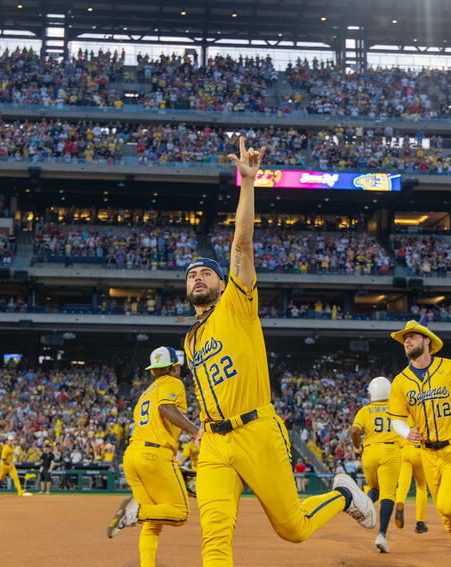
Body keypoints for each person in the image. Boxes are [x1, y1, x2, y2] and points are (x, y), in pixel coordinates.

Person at [181, 137, 375, 566]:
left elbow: (241, 244)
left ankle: (343, 495)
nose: (197, 277)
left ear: (219, 283)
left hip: (256, 431)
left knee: (293, 529)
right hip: (214, 442)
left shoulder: (236, 303)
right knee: (214, 537)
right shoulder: (190, 338)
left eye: (205, 273)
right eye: (191, 274)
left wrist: (247, 184)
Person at [386, 320, 451, 567]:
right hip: (427, 454)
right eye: (404, 339)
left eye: (411, 336)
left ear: (427, 340)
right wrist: (405, 432)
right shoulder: (400, 381)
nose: (406, 341)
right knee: (446, 517)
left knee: (447, 504)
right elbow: (396, 419)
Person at [107, 347, 200, 567]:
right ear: (176, 367)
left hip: (132, 456)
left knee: (152, 522)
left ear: (153, 371)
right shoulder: (173, 383)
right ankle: (134, 511)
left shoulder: (147, 391)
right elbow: (166, 408)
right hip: (154, 454)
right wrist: (196, 431)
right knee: (180, 513)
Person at [351, 377, 402, 553]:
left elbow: (355, 430)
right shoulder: (398, 409)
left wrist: (358, 448)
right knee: (388, 494)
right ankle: (381, 535)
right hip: (390, 452)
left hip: (369, 452)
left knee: (374, 489)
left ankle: (357, 505)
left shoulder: (365, 410)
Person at [394, 414, 429, 534]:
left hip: (404, 451)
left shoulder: (401, 415)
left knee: (403, 484)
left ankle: (400, 501)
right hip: (420, 451)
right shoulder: (422, 411)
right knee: (421, 486)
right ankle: (420, 523)